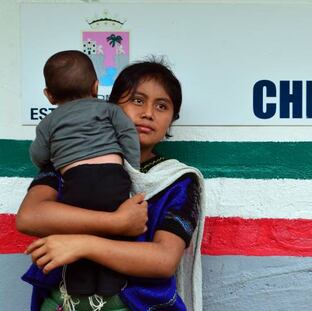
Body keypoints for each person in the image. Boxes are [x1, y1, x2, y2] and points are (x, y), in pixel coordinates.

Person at [16, 59, 204, 311]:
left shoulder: (177, 180)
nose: (148, 113)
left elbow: (163, 260)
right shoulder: (68, 162)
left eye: (162, 106)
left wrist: (82, 245)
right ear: (110, 106)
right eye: (137, 100)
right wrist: (116, 222)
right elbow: (29, 217)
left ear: (171, 119)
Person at [29, 50, 142, 299]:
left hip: (76, 182)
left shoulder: (48, 122)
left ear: (49, 95)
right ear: (95, 86)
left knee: (78, 234)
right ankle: (112, 286)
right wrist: (132, 167)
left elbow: (39, 155)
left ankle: (79, 287)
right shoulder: (109, 110)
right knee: (113, 233)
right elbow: (127, 135)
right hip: (113, 179)